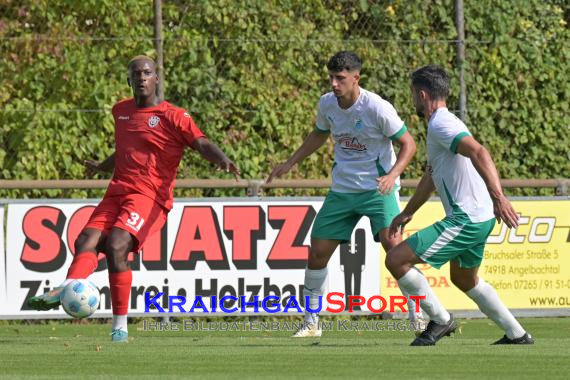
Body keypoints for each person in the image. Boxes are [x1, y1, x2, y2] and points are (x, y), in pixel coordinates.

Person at [27, 55, 240, 342]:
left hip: (149, 197)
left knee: (116, 245)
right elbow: (125, 149)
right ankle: (66, 288)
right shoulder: (121, 111)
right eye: (136, 73)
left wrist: (222, 159)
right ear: (129, 80)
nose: (141, 77)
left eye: (147, 72)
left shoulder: (174, 116)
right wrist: (101, 166)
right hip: (117, 191)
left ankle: (120, 327)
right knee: (84, 241)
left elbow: (200, 142)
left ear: (156, 79)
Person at [267, 51, 422, 337]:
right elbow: (319, 133)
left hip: (378, 190)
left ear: (356, 78)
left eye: (340, 78)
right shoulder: (327, 104)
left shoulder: (376, 107)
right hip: (342, 190)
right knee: (317, 253)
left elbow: (408, 144)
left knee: (395, 250)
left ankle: (419, 312)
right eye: (331, 78)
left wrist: (392, 175)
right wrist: (290, 162)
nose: (334, 84)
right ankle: (311, 323)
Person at [386, 64, 534, 346]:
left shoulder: (442, 124)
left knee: (396, 259)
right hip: (478, 218)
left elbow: (479, 151)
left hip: (466, 219)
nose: (413, 101)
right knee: (465, 279)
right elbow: (432, 175)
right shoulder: (441, 124)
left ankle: (441, 320)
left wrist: (499, 197)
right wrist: (408, 211)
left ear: (422, 94)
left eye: (413, 96)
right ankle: (517, 334)